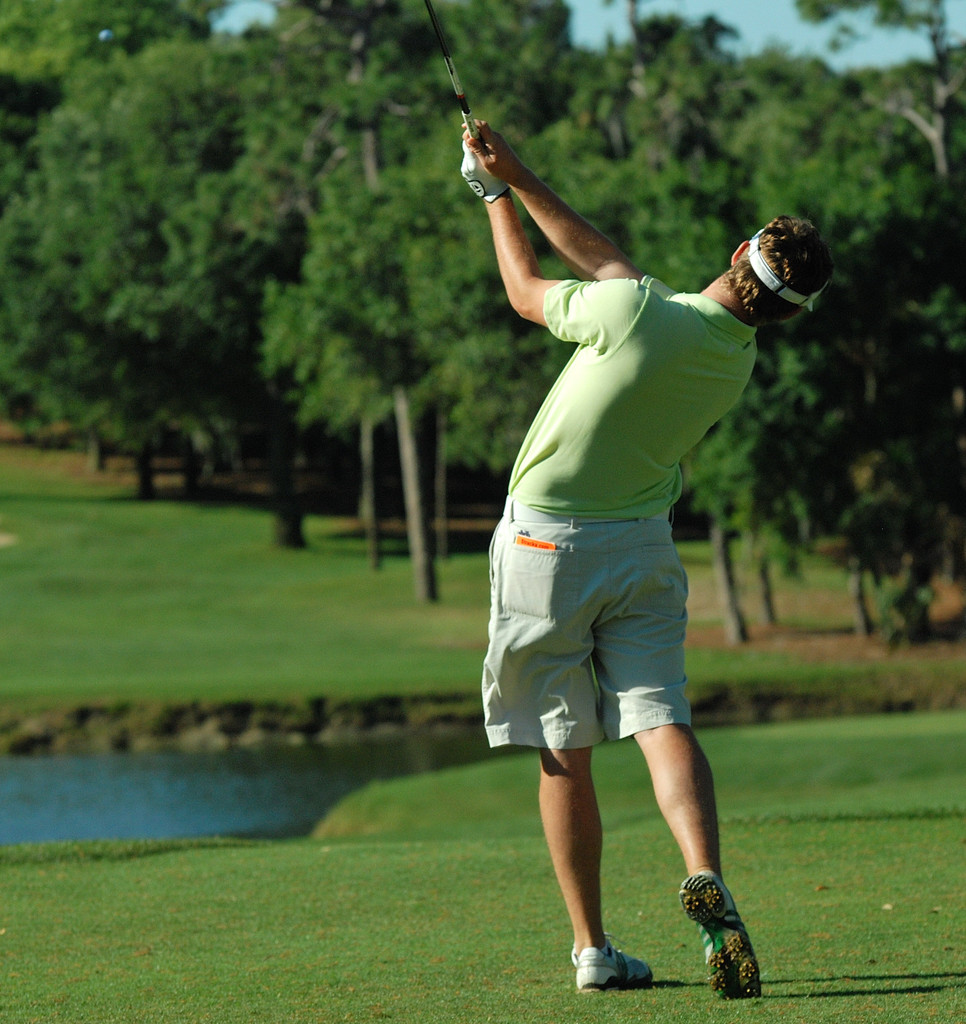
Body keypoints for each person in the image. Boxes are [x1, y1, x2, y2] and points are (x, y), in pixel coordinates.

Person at [460, 120, 833, 999]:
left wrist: (493, 194)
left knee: (564, 744)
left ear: (740, 248)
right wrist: (517, 175)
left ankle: (592, 949)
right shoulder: (731, 360)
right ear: (787, 313)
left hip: (547, 546)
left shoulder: (632, 311)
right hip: (643, 550)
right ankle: (705, 869)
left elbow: (526, 290)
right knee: (660, 716)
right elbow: (614, 266)